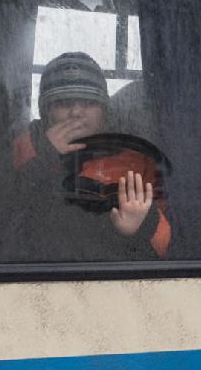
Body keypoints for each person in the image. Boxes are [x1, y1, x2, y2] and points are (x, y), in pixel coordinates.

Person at [9, 52, 170, 261]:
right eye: (64, 102)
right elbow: (5, 218)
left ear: (104, 111)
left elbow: (169, 247)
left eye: (88, 101)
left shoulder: (134, 163)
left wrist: (142, 226)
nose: (76, 112)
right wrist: (45, 155)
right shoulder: (19, 149)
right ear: (45, 110)